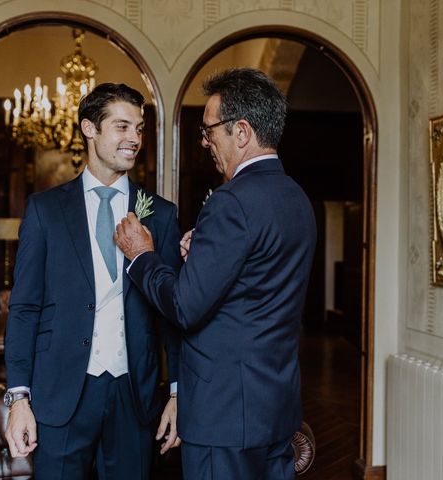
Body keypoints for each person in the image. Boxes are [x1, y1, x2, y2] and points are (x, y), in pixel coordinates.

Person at [115, 68, 316, 479]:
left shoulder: (231, 201)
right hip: (276, 409)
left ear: (241, 132)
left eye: (209, 131)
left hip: (225, 416)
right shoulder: (297, 199)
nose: (204, 142)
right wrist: (202, 258)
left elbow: (186, 307)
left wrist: (142, 256)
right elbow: (257, 285)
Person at [3, 83, 182, 479]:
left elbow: (174, 313)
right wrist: (18, 399)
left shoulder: (161, 215)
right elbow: (24, 309)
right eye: (122, 127)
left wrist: (177, 393)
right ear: (89, 128)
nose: (134, 139)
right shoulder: (45, 210)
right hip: (61, 394)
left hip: (135, 394)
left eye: (139, 128)